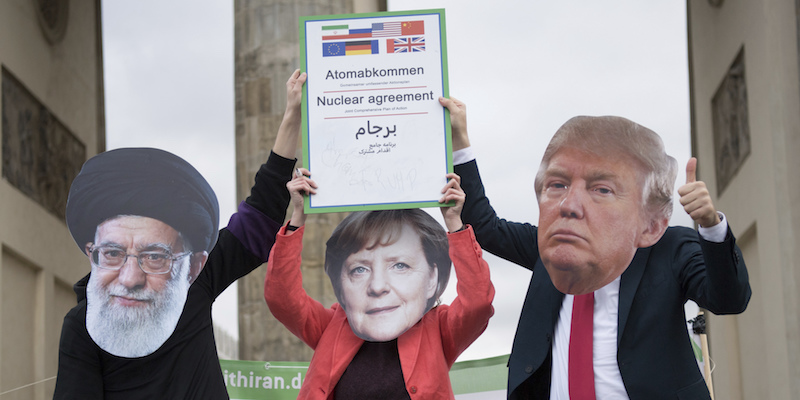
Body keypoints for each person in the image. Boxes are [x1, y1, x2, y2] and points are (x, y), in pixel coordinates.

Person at [439, 97, 751, 399]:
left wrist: (711, 225)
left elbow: (728, 299)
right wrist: (460, 141)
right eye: (559, 185)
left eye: (601, 189)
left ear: (649, 220)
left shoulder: (670, 248)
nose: (572, 204)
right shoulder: (549, 249)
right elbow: (486, 227)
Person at [53, 70, 307, 399]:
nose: (130, 277)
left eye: (154, 256)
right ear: (93, 253)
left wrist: (292, 114)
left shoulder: (195, 283)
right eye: (113, 253)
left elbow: (262, 213)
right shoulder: (79, 328)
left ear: (194, 265)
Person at [264, 171, 495, 399]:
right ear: (341, 286)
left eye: (400, 266)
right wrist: (297, 218)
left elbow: (477, 303)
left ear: (432, 279)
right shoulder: (329, 327)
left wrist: (454, 222)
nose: (377, 286)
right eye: (359, 269)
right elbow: (282, 298)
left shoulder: (441, 331)